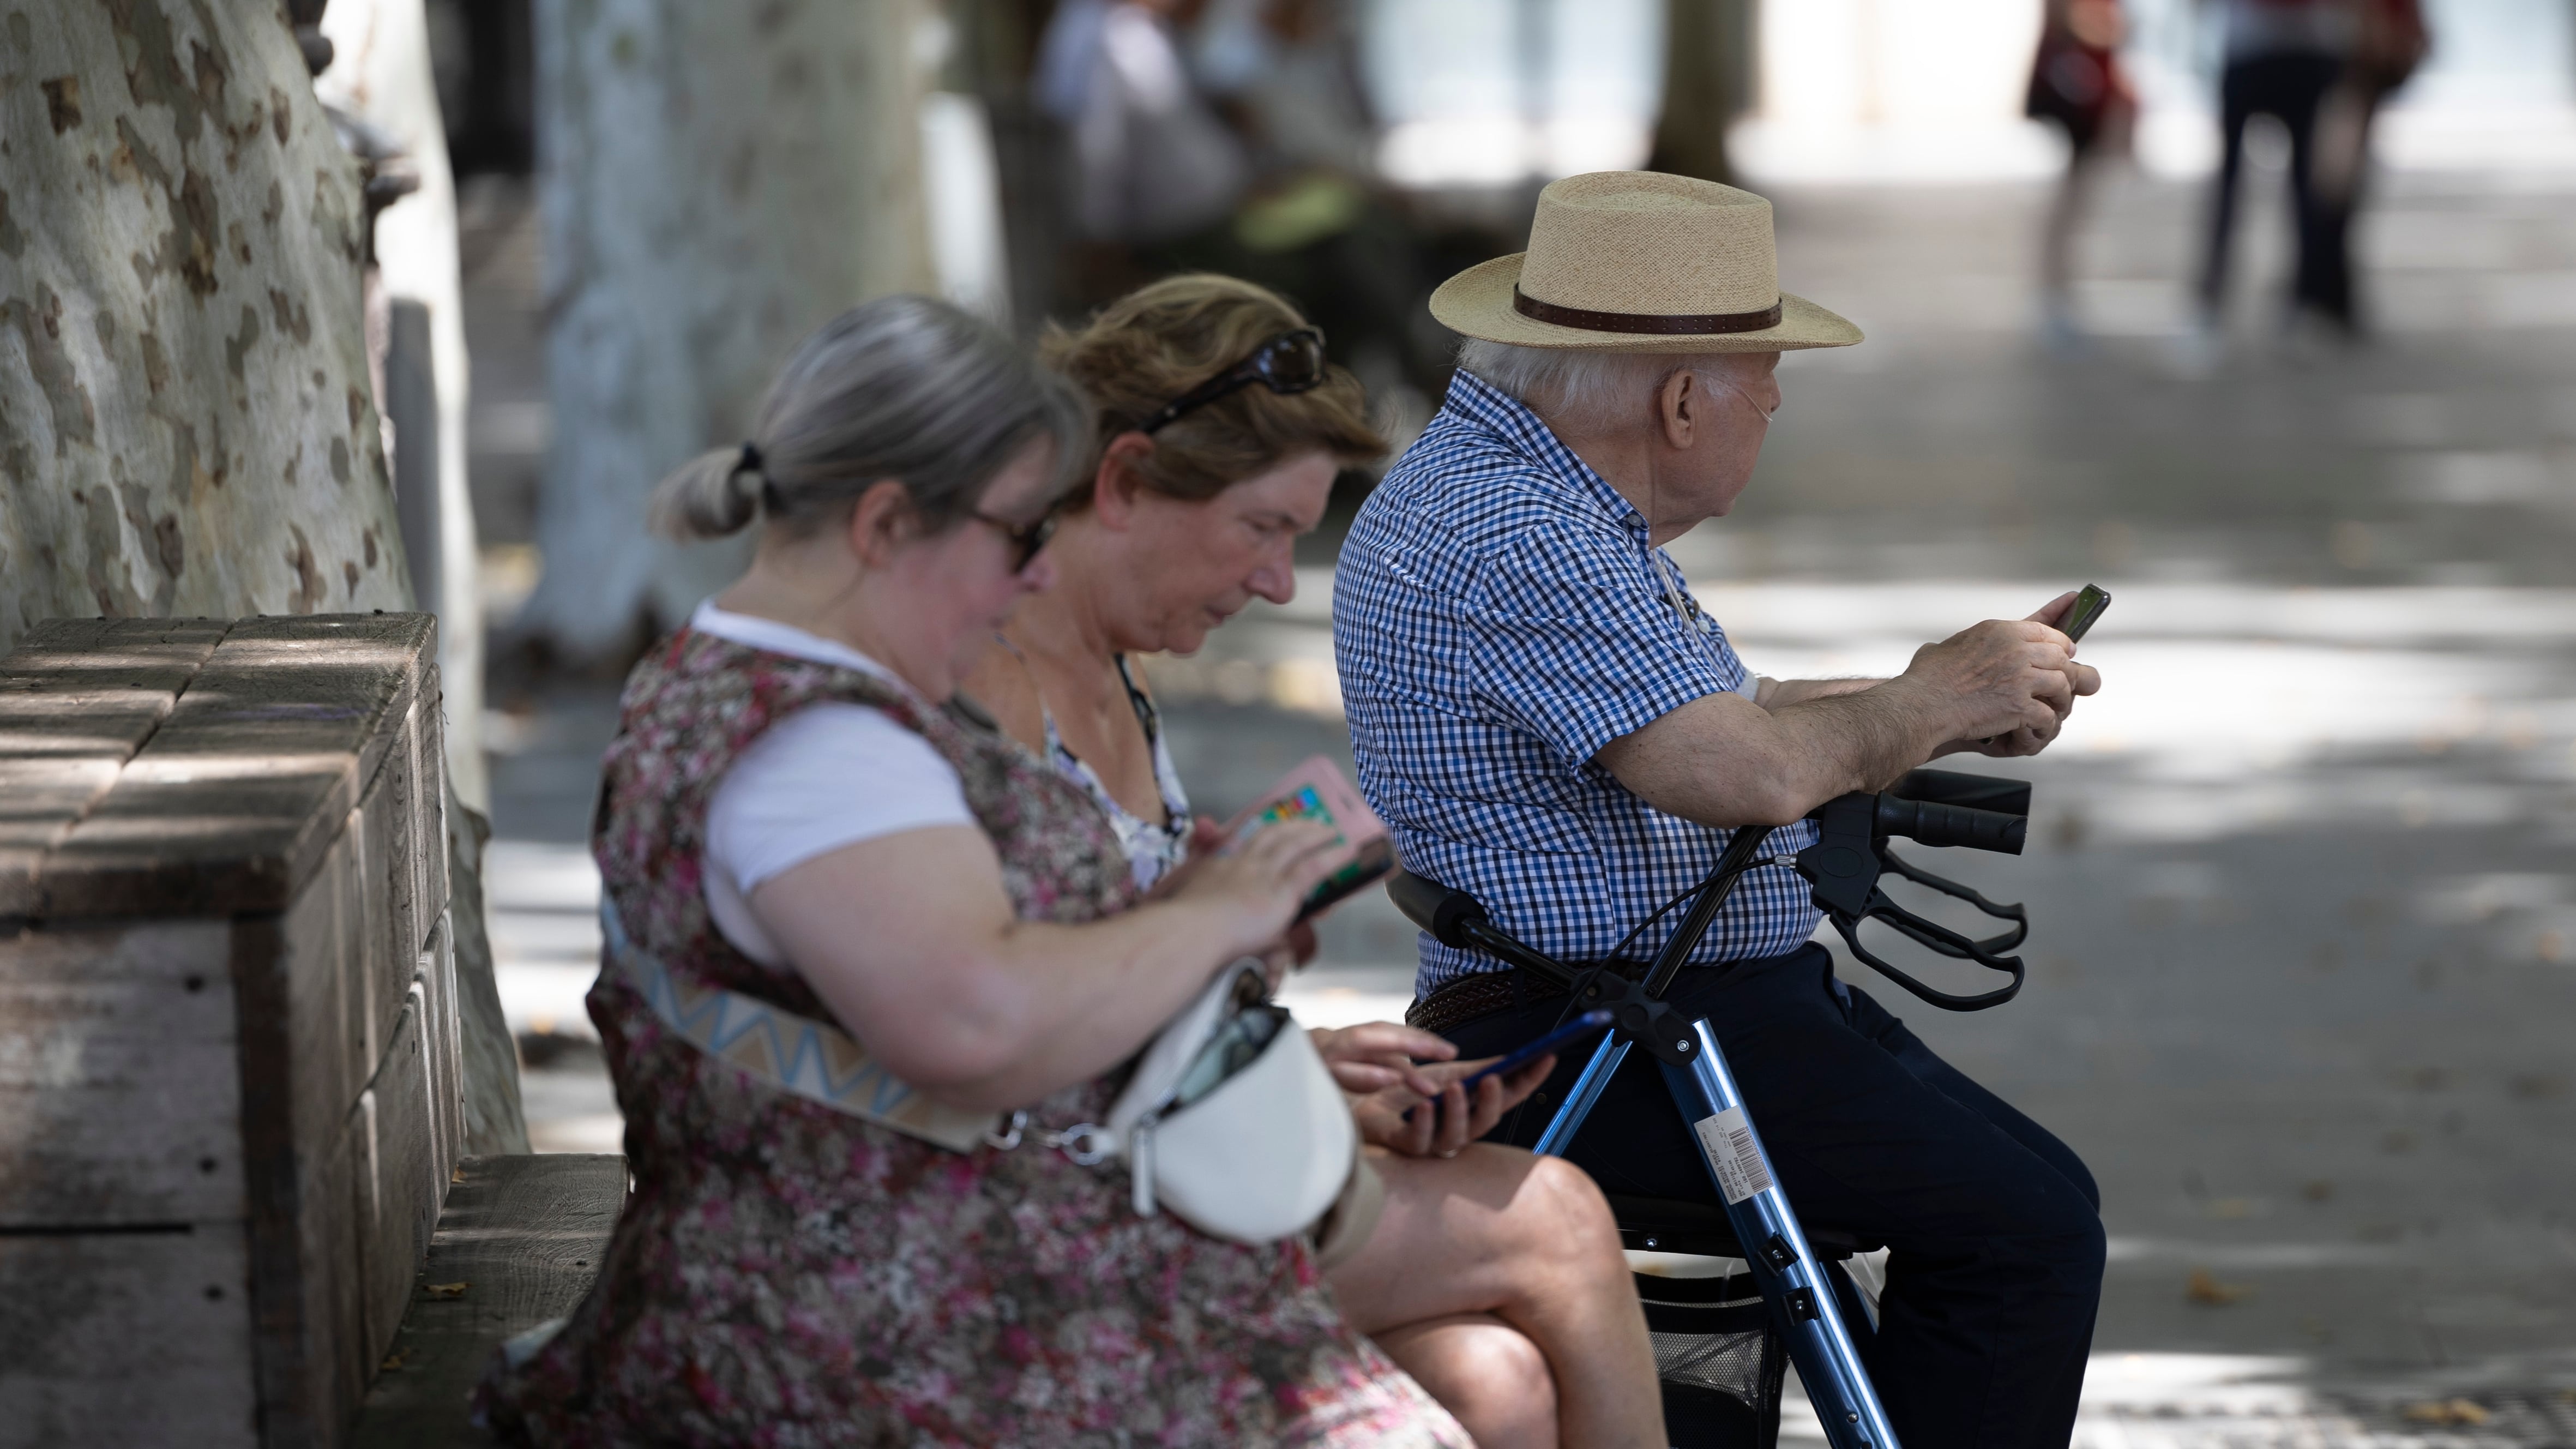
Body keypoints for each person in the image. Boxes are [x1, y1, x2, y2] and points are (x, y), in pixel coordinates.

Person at [474, 296, 1470, 1445]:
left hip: (895, 1280)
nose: (1028, 584)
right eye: (1015, 538)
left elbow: (948, 970)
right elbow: (974, 1024)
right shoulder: (815, 743)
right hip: (858, 1333)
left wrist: (1179, 917)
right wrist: (1219, 911)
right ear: (889, 523)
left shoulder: (757, 681)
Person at [1333, 171, 2109, 1449]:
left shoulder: (1510, 489)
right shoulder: (1518, 527)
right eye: (1765, 380)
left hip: (1647, 1007)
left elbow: (1715, 710)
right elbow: (1741, 768)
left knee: (2026, 1202)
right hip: (1613, 1030)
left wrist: (1940, 697)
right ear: (1680, 399)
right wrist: (1928, 696)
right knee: (2024, 1227)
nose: (1775, 406)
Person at [959, 273, 1667, 1449]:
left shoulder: (1111, 671)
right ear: (1124, 480)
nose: (1279, 581)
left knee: (1490, 1379)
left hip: (1147, 1150)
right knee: (1557, 1217)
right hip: (1048, 1204)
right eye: (1262, 527)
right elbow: (990, 1011)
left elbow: (1113, 983)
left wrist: (1310, 1063)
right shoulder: (990, 680)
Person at [2194, 0, 2360, 354]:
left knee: (2232, 188)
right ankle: (2301, 306)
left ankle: (2212, 304)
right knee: (2302, 189)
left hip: (2254, 51)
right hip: (2304, 52)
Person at [2025, 0, 2138, 350]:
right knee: (2070, 203)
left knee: (2076, 202)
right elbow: (2076, 20)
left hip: (2088, 88)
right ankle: (2054, 298)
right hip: (2078, 91)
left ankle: (2058, 296)